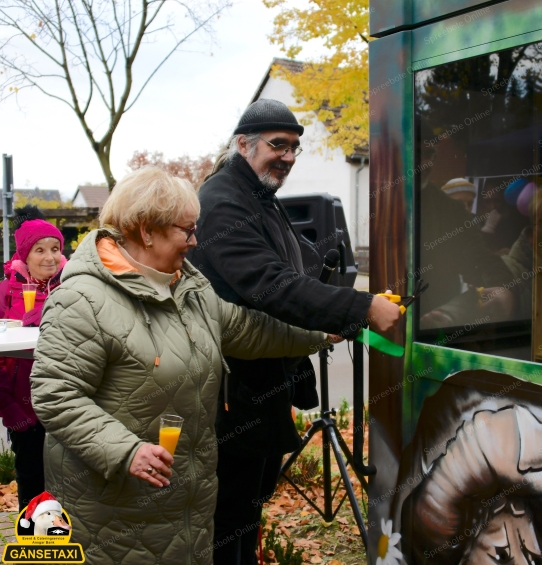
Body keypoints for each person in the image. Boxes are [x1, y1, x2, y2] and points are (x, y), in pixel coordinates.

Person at [29, 168, 332, 565]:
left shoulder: (188, 287)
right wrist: (125, 451)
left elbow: (248, 329)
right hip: (114, 515)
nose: (195, 240)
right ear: (146, 230)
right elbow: (55, 395)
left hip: (185, 507)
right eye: (186, 230)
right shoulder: (81, 300)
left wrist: (323, 330)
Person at [187, 98, 401, 564]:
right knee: (230, 514)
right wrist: (361, 307)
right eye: (277, 145)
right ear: (243, 144)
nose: (287, 156)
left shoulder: (259, 197)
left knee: (249, 505)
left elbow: (300, 268)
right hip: (232, 387)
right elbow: (271, 284)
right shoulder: (222, 202)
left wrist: (342, 295)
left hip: (263, 382)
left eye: (294, 148)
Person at [0, 207, 66, 511]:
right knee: (31, 484)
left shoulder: (74, 289)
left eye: (55, 249)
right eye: (39, 250)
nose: (49, 257)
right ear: (25, 256)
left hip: (68, 408)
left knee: (67, 488)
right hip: (25, 412)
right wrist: (9, 408)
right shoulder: (6, 292)